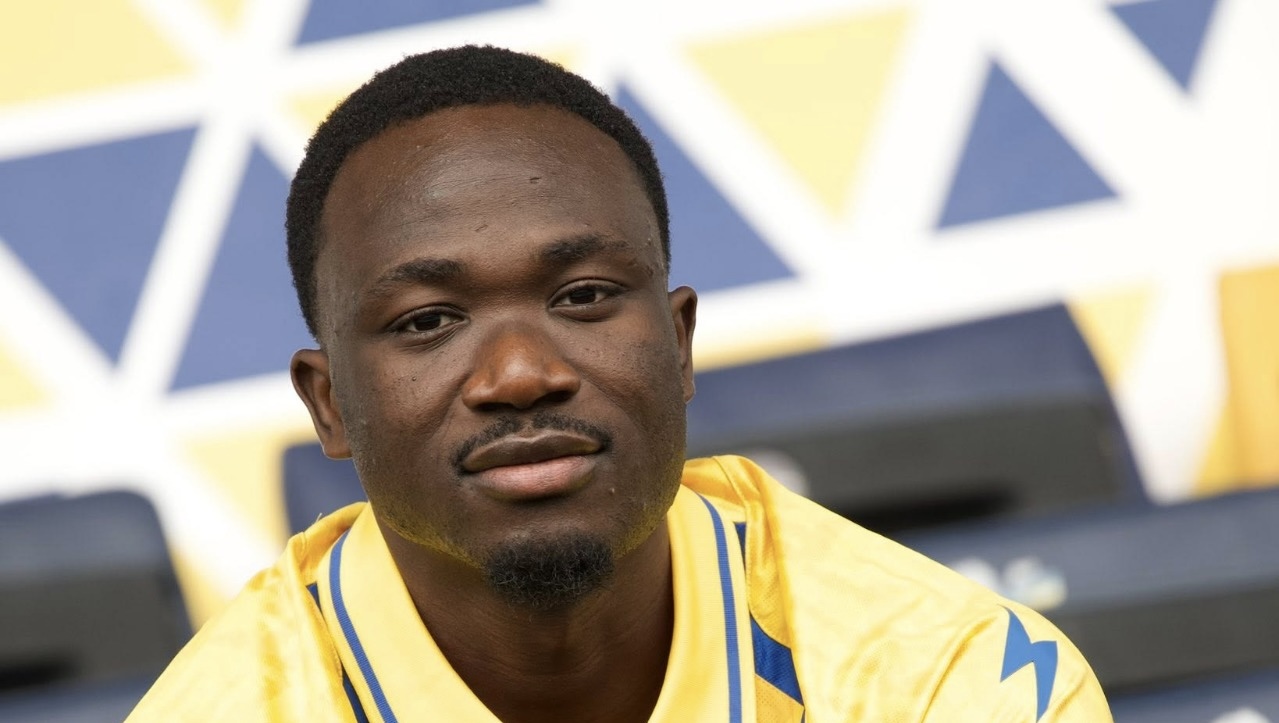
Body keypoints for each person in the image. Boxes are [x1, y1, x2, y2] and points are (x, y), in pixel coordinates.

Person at [128, 45, 1111, 722]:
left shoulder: (938, 677)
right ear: (330, 403)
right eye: (427, 321)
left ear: (678, 346)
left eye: (584, 296)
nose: (520, 375)